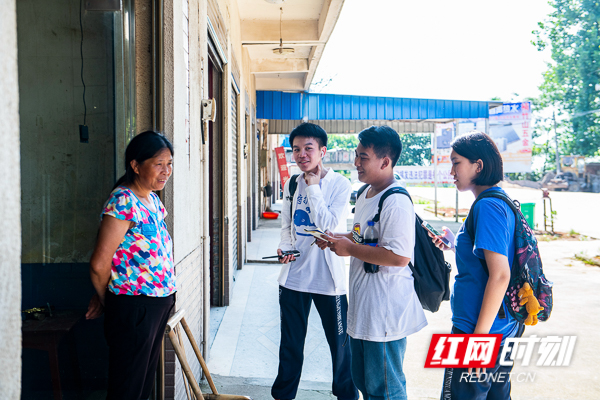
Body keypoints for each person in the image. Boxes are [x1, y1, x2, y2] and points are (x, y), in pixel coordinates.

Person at [320, 125, 427, 400]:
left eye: (363, 157)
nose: (356, 162)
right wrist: (336, 238)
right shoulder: (365, 193)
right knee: (365, 384)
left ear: (385, 161)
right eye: (357, 155)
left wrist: (350, 248)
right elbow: (361, 237)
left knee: (385, 390)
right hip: (364, 310)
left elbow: (398, 256)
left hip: (384, 315)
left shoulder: (396, 200)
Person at [428, 131, 522, 399]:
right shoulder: (501, 201)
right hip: (501, 328)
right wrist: (455, 245)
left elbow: (501, 275)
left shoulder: (487, 207)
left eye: (456, 162)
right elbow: (495, 257)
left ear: (478, 166)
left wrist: (478, 341)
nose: (451, 171)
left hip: (478, 330)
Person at [85, 131, 176, 400]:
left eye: (169, 163)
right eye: (158, 164)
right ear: (135, 165)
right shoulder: (123, 201)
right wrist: (107, 299)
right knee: (127, 387)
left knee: (142, 384)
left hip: (156, 304)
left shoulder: (152, 200)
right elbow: (99, 263)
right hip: (134, 306)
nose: (166, 171)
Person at [272, 123, 357, 400]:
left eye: (308, 148)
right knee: (291, 345)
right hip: (294, 277)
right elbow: (287, 225)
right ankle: (283, 395)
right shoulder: (291, 182)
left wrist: (313, 187)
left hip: (328, 281)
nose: (301, 155)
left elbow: (330, 226)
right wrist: (285, 248)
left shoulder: (340, 184)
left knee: (340, 346)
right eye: (296, 149)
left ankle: (346, 394)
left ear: (322, 150)